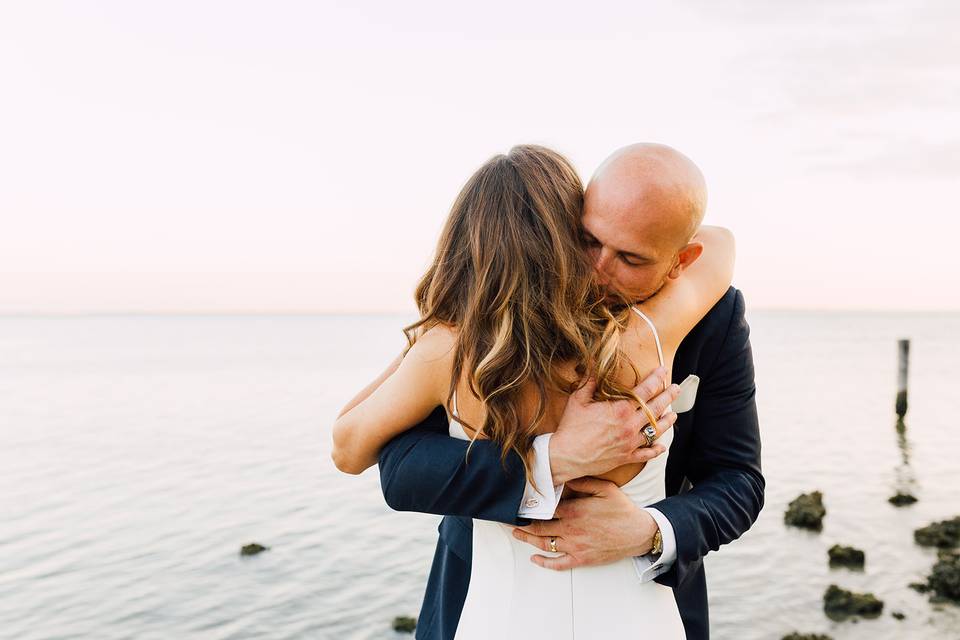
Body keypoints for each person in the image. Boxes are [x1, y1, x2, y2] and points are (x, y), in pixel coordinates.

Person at [333, 143, 763, 640]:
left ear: (679, 262)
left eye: (630, 258)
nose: (599, 270)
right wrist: (550, 461)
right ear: (565, 228)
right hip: (478, 600)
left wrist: (650, 531)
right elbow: (403, 469)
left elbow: (739, 480)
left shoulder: (705, 318)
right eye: (587, 240)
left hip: (646, 601)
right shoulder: (462, 344)